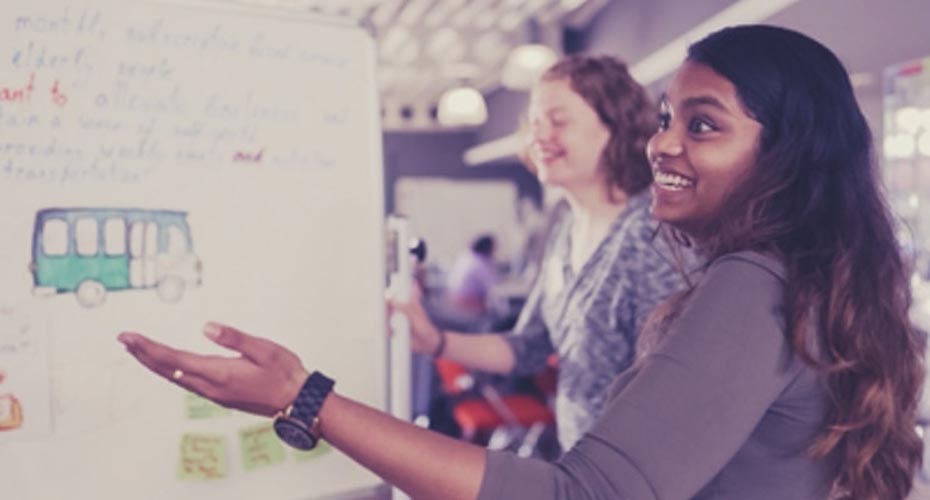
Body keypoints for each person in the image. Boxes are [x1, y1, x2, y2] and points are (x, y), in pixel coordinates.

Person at [118, 25, 925, 500]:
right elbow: (537, 348)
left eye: (703, 126)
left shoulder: (748, 282)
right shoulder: (790, 271)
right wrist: (432, 339)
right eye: (667, 117)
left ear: (786, 153)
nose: (665, 143)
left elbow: (593, 493)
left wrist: (306, 399)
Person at [391, 54, 691, 450]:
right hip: (583, 464)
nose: (538, 136)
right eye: (534, 122)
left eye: (558, 120)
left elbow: (668, 397)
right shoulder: (565, 229)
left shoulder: (650, 237)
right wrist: (436, 341)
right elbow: (528, 347)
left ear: (613, 127)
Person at [444, 234, 500, 315]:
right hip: (468, 302)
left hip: (452, 299)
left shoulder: (466, 256)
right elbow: (493, 285)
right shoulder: (480, 263)